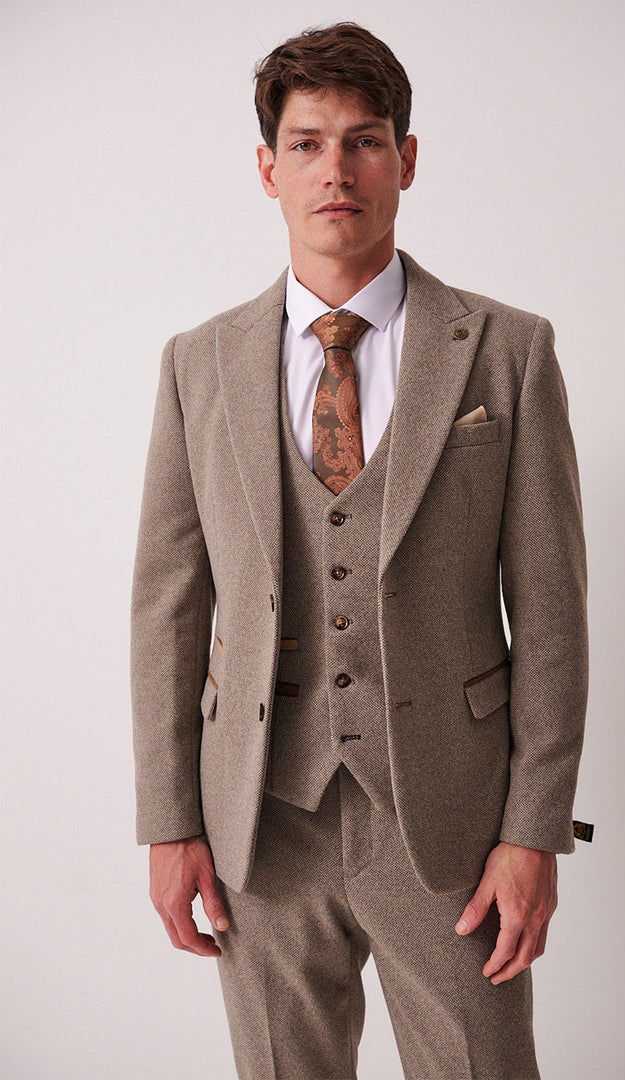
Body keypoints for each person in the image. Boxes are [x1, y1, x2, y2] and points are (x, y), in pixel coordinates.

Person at [130, 21, 590, 1080]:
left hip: (455, 829)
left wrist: (534, 833)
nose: (335, 169)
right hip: (259, 824)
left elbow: (554, 612)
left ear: (406, 160)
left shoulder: (508, 353)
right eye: (306, 142)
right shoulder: (196, 365)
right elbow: (167, 604)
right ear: (267, 168)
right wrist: (167, 821)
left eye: (365, 139)